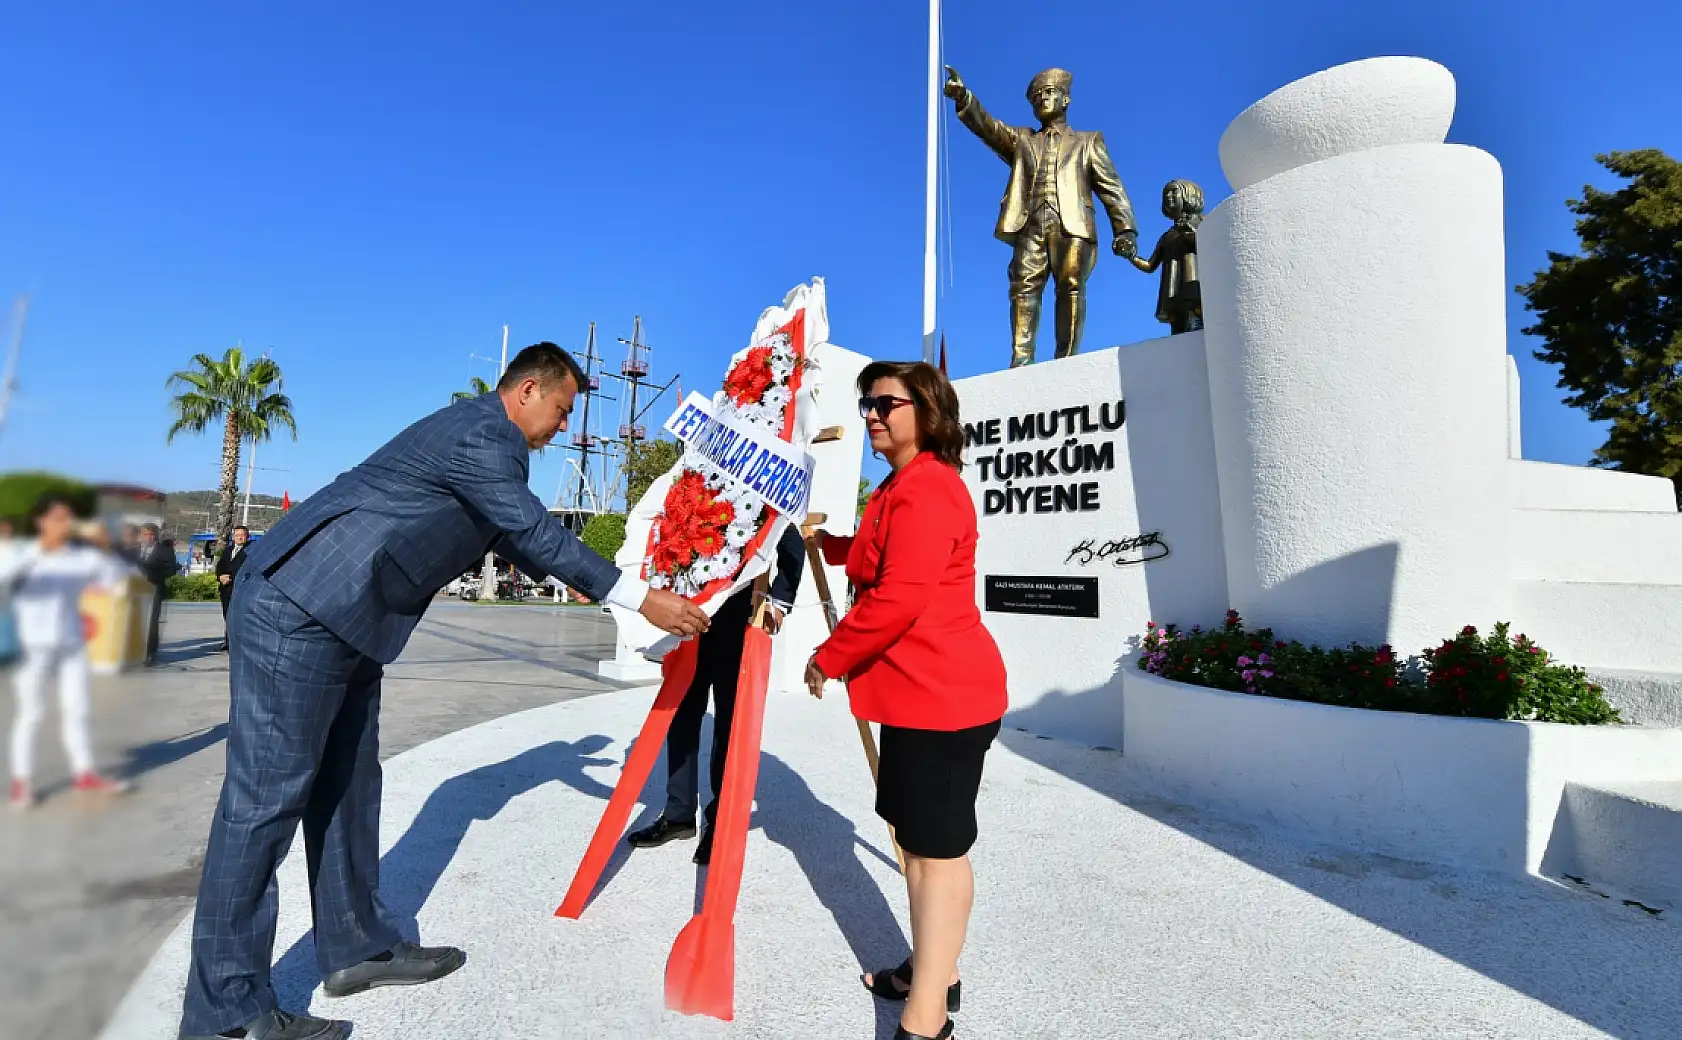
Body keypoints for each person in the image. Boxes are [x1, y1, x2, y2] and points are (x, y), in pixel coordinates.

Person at [177, 342, 709, 1040]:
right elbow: (533, 531)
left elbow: (514, 539)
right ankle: (225, 1014)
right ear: (527, 390)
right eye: (561, 410)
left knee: (349, 786)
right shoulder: (485, 433)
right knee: (264, 804)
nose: (563, 427)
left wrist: (619, 586)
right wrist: (642, 598)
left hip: (345, 616)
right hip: (300, 607)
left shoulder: (491, 447)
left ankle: (357, 947)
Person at [804, 360, 1007, 1040]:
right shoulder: (898, 486)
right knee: (917, 845)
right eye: (867, 401)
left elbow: (898, 596)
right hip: (915, 697)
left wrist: (829, 657)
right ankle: (935, 968)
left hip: (945, 697)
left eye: (885, 402)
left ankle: (928, 1015)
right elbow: (875, 557)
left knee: (936, 854)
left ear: (928, 411)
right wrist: (828, 543)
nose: (871, 413)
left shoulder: (930, 489)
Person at [626, 524, 806, 864]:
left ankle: (720, 818)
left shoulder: (761, 494)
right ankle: (678, 814)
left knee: (729, 724)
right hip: (687, 623)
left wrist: (779, 604)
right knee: (680, 719)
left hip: (738, 624)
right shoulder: (693, 491)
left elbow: (791, 543)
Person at [3, 493, 137, 809]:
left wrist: (105, 547)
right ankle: (22, 782)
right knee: (31, 713)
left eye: (68, 518)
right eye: (57, 518)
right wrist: (42, 549)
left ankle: (84, 772)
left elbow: (118, 580)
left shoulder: (81, 557)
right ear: (41, 521)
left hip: (70, 642)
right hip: (31, 644)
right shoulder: (22, 553)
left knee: (77, 709)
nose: (64, 524)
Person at [133, 523, 178, 665]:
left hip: (154, 590)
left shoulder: (165, 551)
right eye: (145, 534)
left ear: (156, 535)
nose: (149, 537)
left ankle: (150, 652)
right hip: (134, 592)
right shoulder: (133, 550)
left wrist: (153, 573)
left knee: (151, 622)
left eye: (151, 534)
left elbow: (171, 570)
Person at [213, 525, 251, 651]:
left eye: (242, 535)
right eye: (237, 535)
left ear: (247, 536)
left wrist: (231, 577)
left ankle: (238, 643)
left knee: (239, 617)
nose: (239, 537)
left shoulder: (251, 550)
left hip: (240, 589)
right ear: (233, 537)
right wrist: (220, 577)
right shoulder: (228, 550)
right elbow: (220, 566)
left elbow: (247, 569)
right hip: (226, 589)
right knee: (227, 615)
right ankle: (228, 641)